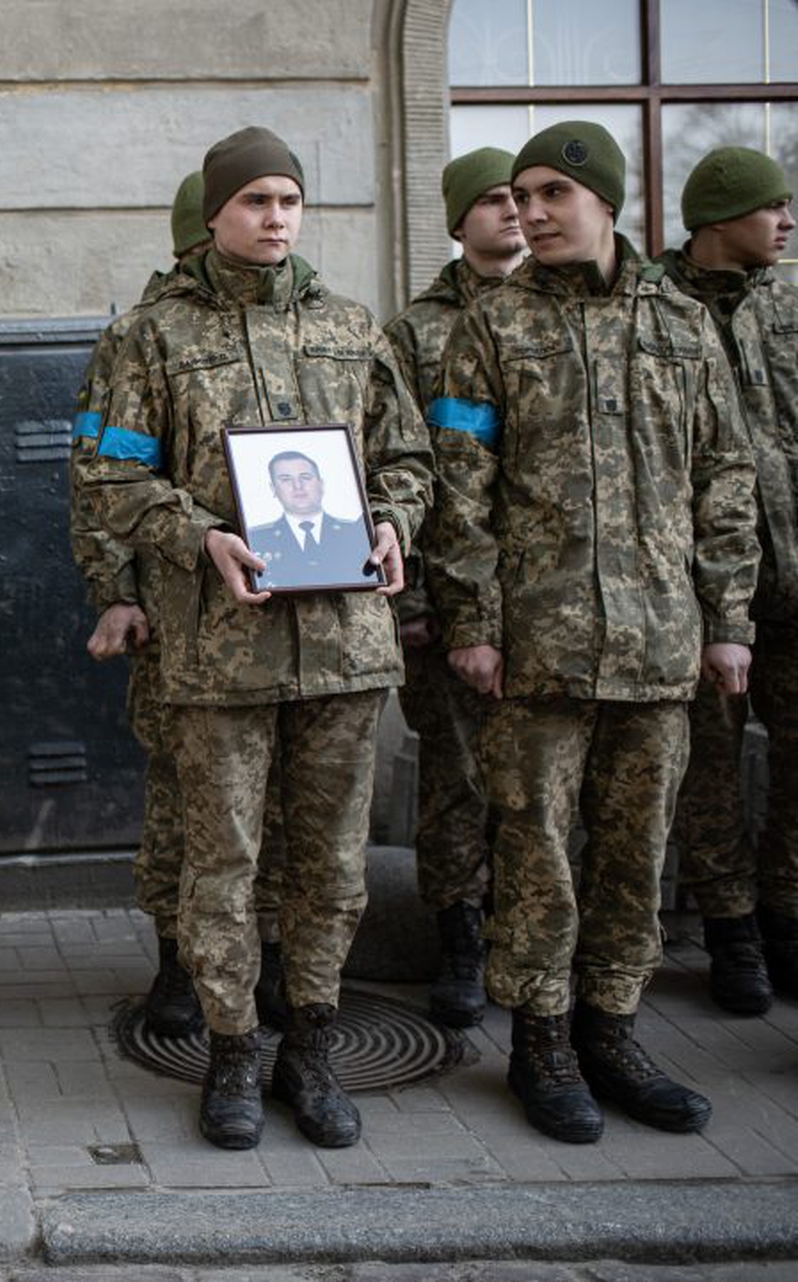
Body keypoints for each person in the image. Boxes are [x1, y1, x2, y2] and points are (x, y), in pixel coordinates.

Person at [74, 126, 431, 1151]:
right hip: (218, 654)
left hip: (344, 648)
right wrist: (201, 537)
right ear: (215, 212)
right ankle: (233, 1050)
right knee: (221, 864)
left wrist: (392, 521)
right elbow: (111, 476)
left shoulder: (354, 330)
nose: (276, 218)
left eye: (290, 200)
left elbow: (407, 456)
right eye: (256, 201)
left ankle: (312, 1045)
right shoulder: (151, 336)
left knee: (330, 865)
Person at [429, 121, 758, 1144]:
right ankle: (542, 1042)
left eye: (551, 196)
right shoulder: (490, 327)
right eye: (519, 195)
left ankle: (612, 1027)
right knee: (534, 850)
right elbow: (459, 489)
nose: (529, 212)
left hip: (659, 645)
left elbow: (725, 476)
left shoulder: (682, 322)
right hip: (538, 651)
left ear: (604, 201)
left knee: (633, 852)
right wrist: (473, 621)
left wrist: (728, 616)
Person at [71, 170, 290, 1039]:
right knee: (184, 803)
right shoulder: (144, 339)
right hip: (176, 615)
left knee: (267, 808)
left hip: (275, 615)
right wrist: (116, 593)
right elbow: (99, 487)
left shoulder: (291, 327)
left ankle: (261, 958)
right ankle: (176, 958)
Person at [383, 146, 527, 1028]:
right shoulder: (415, 331)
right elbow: (394, 467)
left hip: (548, 597)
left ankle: (529, 937)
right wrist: (411, 603)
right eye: (495, 199)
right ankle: (462, 936)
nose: (514, 212)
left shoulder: (564, 309)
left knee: (541, 782)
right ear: (459, 219)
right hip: (444, 598)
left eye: (526, 197)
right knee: (458, 780)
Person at [660, 148, 798, 1014]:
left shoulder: (789, 305)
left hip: (793, 577)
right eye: (771, 207)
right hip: (698, 584)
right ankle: (732, 930)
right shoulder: (659, 311)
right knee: (706, 767)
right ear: (718, 218)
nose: (786, 221)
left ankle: (786, 915)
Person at [243, 449, 378, 589]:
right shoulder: (256, 539)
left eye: (305, 477)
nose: (297, 486)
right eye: (285, 479)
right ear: (273, 489)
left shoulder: (356, 533)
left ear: (321, 484)